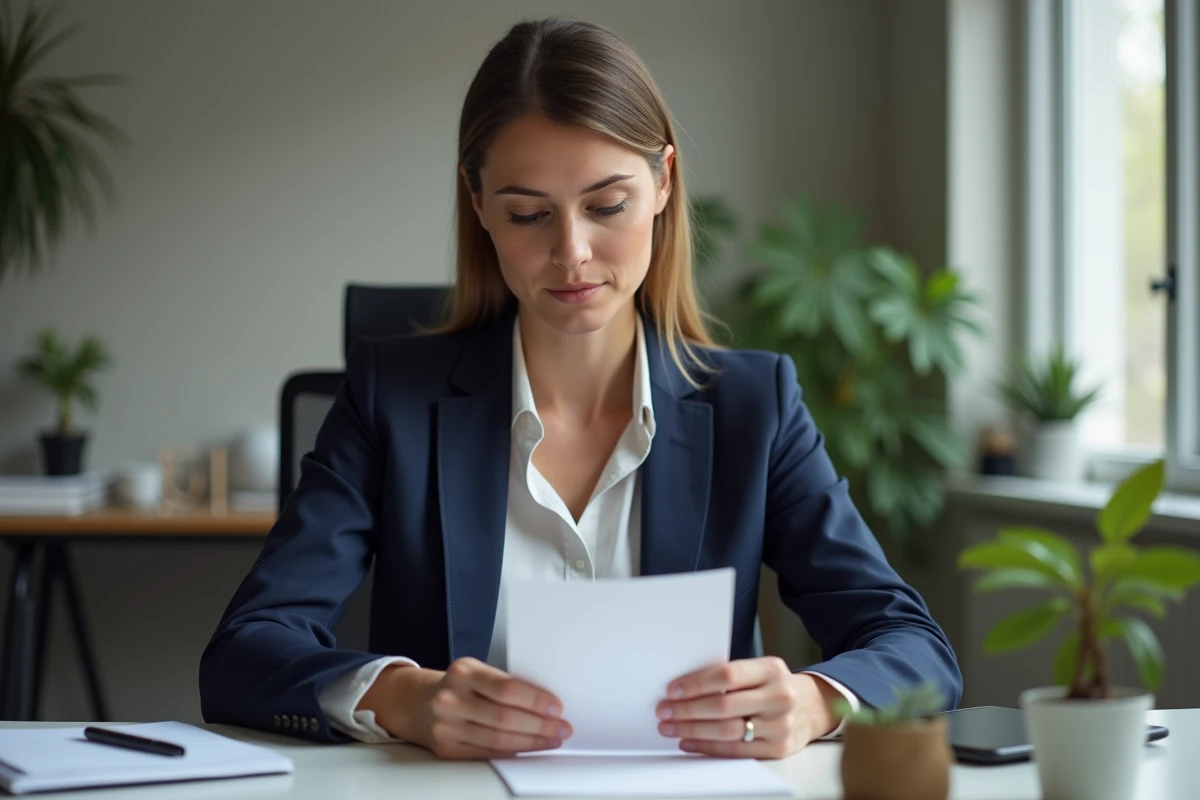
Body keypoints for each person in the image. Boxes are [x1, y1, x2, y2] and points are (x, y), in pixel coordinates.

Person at [199, 16, 961, 761]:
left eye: (607, 206)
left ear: (663, 182)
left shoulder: (753, 407)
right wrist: (406, 701)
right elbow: (244, 652)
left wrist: (813, 700)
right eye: (528, 214)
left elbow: (913, 648)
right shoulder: (389, 399)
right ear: (479, 207)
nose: (571, 253)